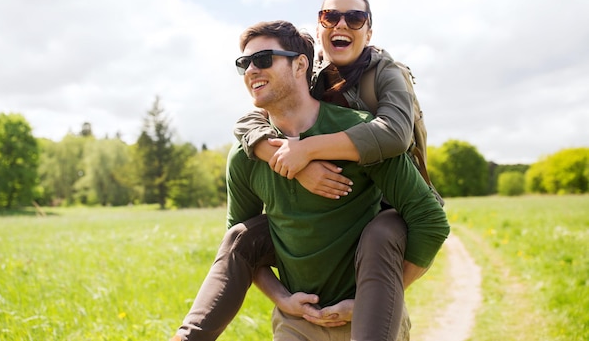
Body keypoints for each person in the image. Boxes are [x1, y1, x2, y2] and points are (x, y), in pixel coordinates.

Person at [171, 20, 449, 341]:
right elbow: (244, 250)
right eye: (243, 63)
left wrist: (370, 301)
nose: (251, 70)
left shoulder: (358, 134)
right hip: (296, 324)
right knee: (240, 235)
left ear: (300, 64)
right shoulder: (245, 156)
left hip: (368, 321)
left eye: (263, 60)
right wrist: (282, 300)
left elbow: (430, 222)